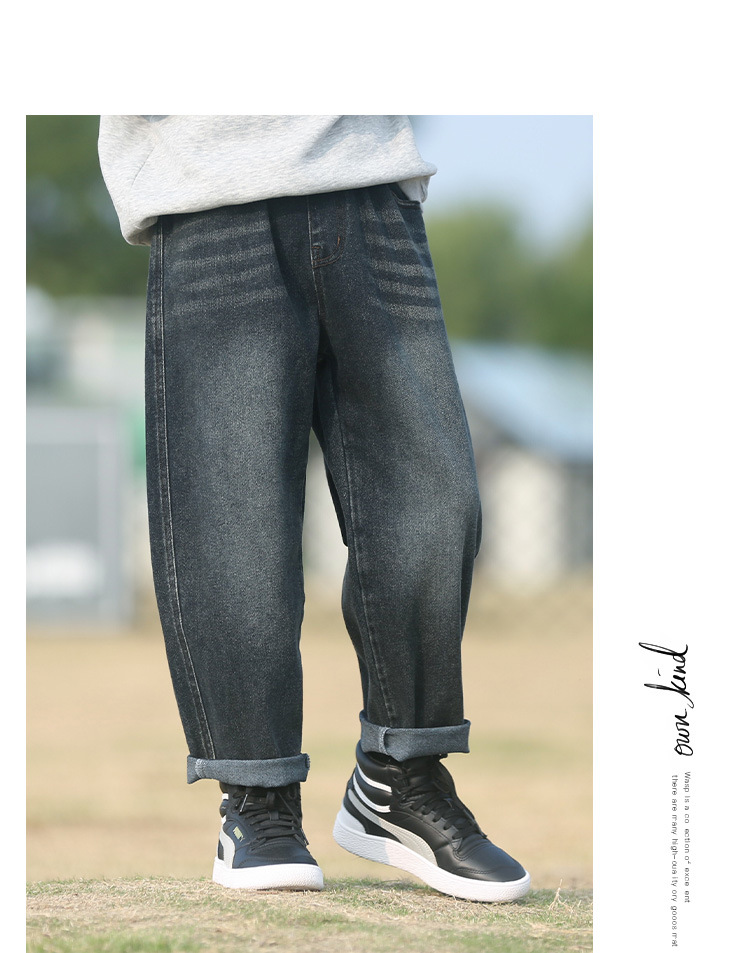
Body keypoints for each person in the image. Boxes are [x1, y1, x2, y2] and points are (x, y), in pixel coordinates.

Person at [98, 115, 530, 903]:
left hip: (371, 186)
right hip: (211, 193)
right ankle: (257, 796)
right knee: (234, 523)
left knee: (437, 504)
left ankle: (400, 777)